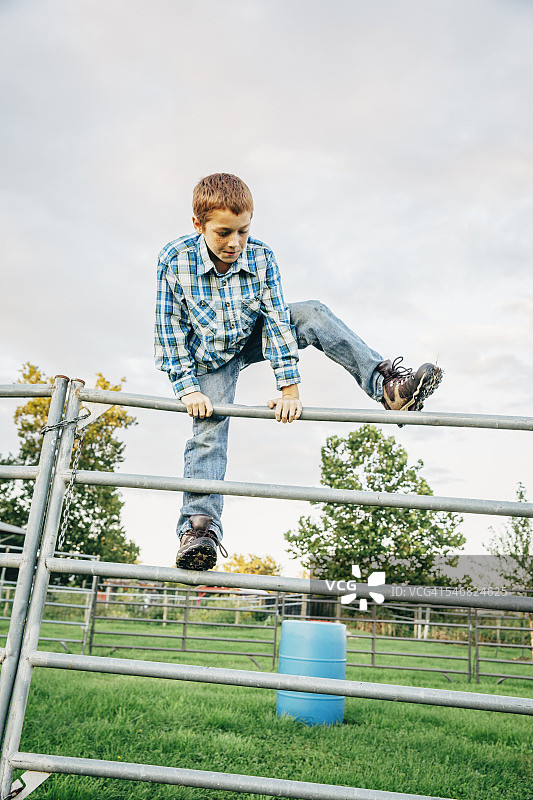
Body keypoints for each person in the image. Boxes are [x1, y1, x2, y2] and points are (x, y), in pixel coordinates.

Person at [155, 173, 442, 571]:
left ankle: (387, 388)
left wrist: (289, 389)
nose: (235, 243)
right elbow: (168, 329)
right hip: (206, 359)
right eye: (223, 233)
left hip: (250, 335)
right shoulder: (174, 260)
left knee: (311, 313)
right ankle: (199, 528)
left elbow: (276, 321)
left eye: (243, 231)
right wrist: (188, 388)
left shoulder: (261, 257)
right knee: (210, 429)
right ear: (198, 225)